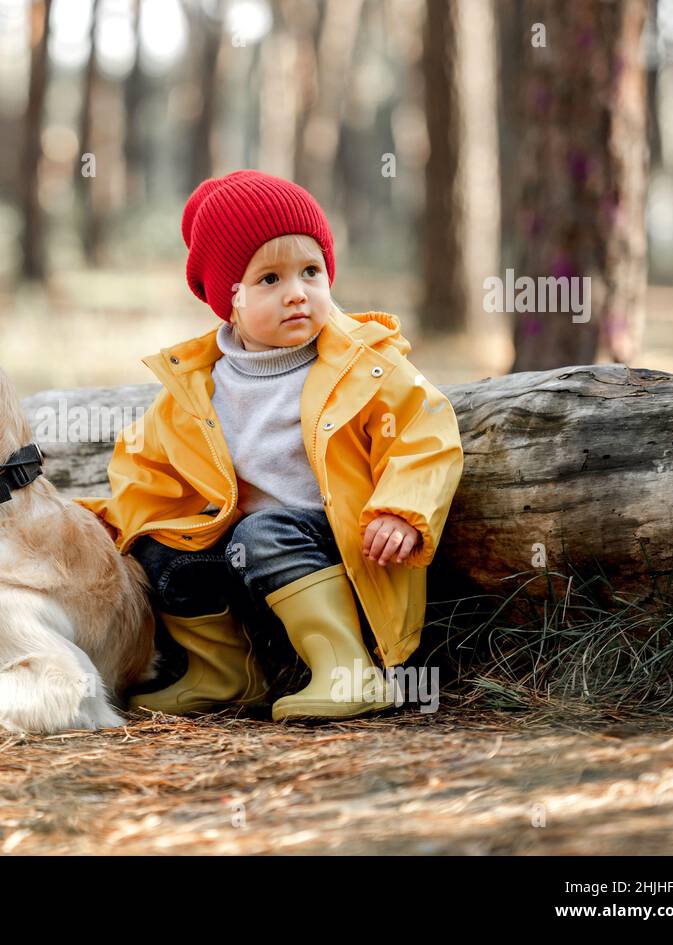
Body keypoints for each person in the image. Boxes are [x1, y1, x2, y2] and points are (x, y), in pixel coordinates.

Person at [75, 169, 464, 721]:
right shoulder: (199, 387)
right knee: (161, 549)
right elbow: (148, 470)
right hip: (250, 548)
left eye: (312, 271)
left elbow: (425, 431)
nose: (298, 293)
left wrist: (403, 509)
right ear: (226, 299)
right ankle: (225, 672)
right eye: (269, 280)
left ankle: (349, 672)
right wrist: (118, 523)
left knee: (263, 531)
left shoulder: (363, 364)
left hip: (349, 538)